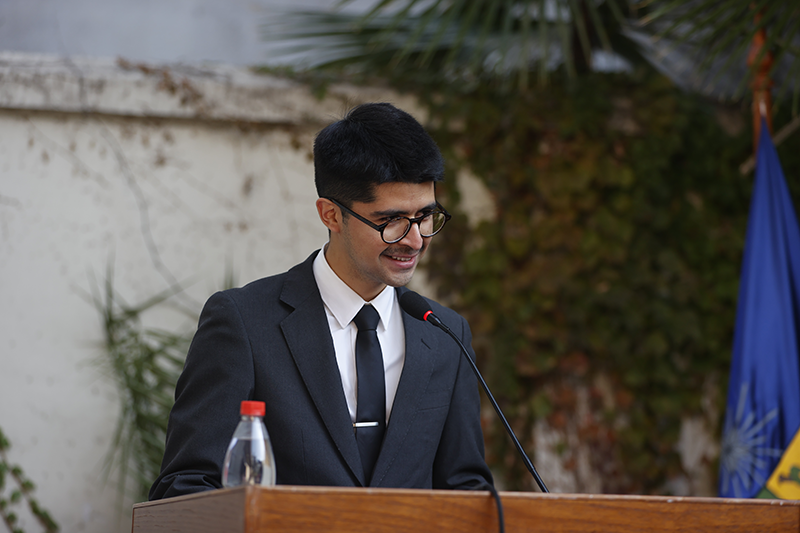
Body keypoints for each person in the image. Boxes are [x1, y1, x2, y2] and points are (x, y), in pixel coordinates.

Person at [149, 102, 493, 500]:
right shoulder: (244, 323)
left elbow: (467, 491)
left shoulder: (445, 333)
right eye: (391, 221)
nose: (415, 240)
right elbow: (184, 487)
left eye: (426, 216)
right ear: (331, 214)